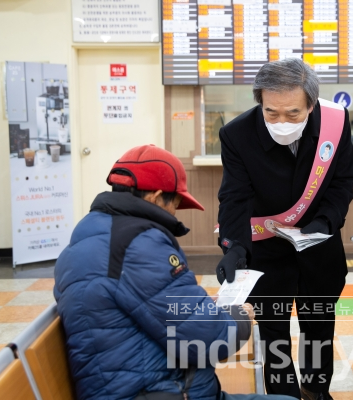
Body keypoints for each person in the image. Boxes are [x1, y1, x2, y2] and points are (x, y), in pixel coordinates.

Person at [54, 145, 293, 400]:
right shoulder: (138, 244)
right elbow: (211, 340)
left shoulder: (90, 239)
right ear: (156, 197)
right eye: (176, 204)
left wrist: (203, 310)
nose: (175, 213)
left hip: (146, 387)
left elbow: (161, 311)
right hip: (159, 392)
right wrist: (240, 318)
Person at [216, 59, 353, 400]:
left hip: (318, 246)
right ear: (260, 103)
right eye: (271, 113)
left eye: (293, 113)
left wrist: (325, 221)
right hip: (266, 250)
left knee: (318, 329)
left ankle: (315, 390)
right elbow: (234, 196)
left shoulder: (335, 123)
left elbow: (343, 182)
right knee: (274, 334)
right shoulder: (236, 135)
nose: (281, 122)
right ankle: (284, 397)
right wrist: (234, 245)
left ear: (311, 104)